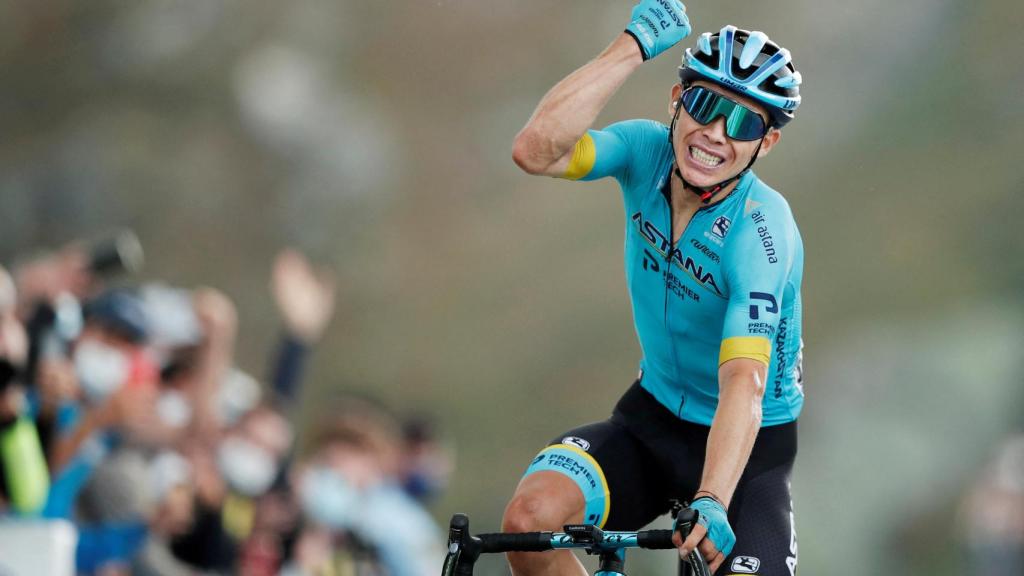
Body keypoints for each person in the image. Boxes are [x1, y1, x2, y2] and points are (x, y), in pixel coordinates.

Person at [505, 1, 804, 574]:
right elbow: (534, 150)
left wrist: (713, 497)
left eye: (743, 123)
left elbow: (745, 377)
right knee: (527, 522)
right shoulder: (645, 151)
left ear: (765, 144)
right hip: (651, 419)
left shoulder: (763, 230)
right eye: (704, 104)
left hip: (745, 451)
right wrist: (630, 46)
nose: (714, 135)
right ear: (677, 101)